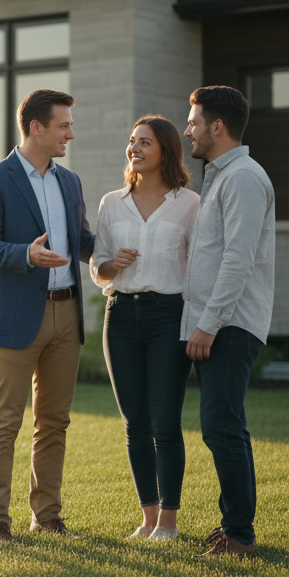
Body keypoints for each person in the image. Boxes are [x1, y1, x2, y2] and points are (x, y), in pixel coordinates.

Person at [0, 88, 95, 544]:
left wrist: (109, 253)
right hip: (16, 316)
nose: (70, 134)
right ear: (36, 128)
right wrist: (26, 254)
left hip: (67, 316)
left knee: (54, 422)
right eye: (63, 125)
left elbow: (80, 241)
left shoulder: (70, 182)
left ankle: (47, 516)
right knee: (5, 420)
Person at [90, 115, 198, 542]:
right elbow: (97, 264)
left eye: (144, 142)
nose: (134, 148)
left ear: (166, 150)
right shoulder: (111, 203)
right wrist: (109, 264)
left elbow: (199, 267)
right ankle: (149, 519)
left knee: (166, 422)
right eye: (131, 142)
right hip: (120, 315)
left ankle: (169, 523)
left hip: (169, 315)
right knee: (135, 423)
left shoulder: (190, 204)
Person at [181, 86, 275, 557]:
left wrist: (208, 323)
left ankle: (240, 533)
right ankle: (234, 526)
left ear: (217, 127)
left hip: (231, 324)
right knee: (223, 425)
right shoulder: (220, 177)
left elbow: (238, 260)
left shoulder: (241, 178)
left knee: (222, 424)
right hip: (221, 322)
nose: (188, 129)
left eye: (194, 121)